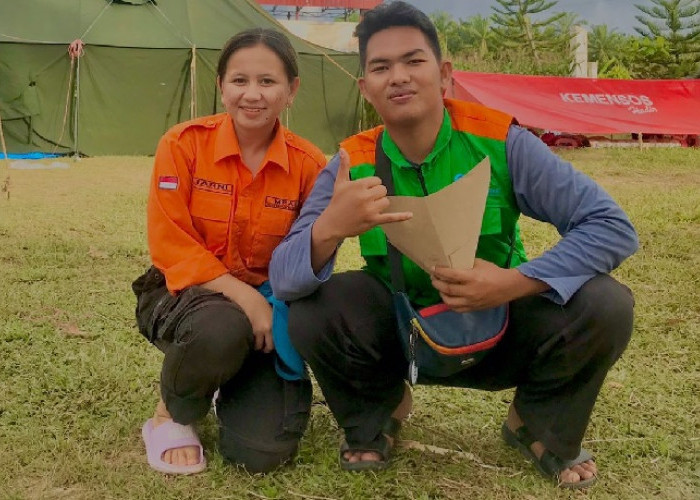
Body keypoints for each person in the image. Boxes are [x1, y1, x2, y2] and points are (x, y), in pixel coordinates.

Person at [268, 1, 638, 489]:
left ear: (443, 73)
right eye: (380, 67)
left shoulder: (501, 141)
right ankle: (378, 413)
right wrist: (329, 228)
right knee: (317, 307)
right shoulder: (349, 161)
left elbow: (611, 226)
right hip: (403, 335)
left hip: (502, 325)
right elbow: (284, 279)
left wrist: (512, 283)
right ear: (366, 88)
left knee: (605, 303)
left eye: (413, 61)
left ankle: (536, 423)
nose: (398, 76)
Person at [131, 28, 326, 475]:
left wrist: (267, 306)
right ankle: (171, 413)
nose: (252, 94)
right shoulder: (182, 145)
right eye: (239, 81)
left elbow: (307, 253)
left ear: (291, 90)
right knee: (222, 327)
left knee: (263, 453)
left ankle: (224, 382)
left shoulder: (310, 166)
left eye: (268, 82)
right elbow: (169, 241)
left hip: (266, 310)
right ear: (221, 86)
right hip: (183, 296)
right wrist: (246, 298)